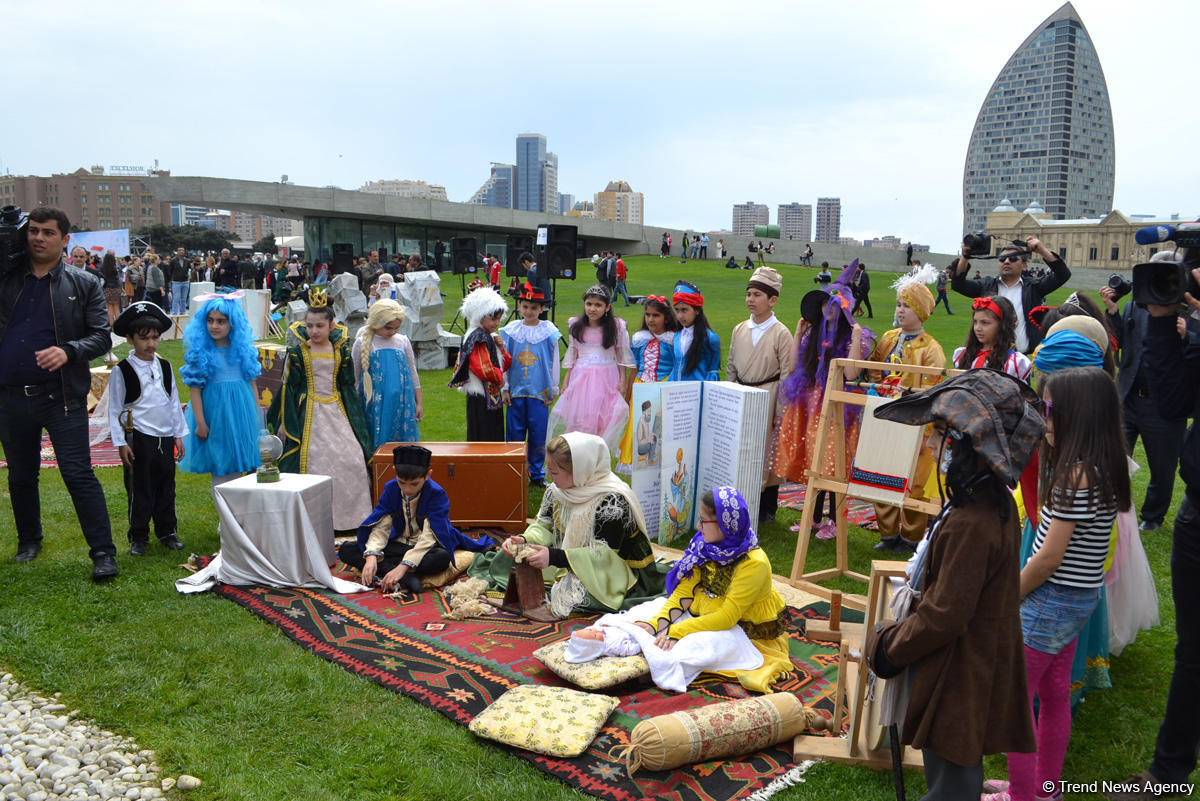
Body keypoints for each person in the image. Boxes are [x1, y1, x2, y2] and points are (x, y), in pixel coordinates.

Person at [865, 369, 1042, 801]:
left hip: (960, 669)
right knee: (950, 770)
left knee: (953, 782)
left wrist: (890, 647)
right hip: (967, 660)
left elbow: (945, 614)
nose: (928, 444)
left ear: (967, 446)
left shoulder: (973, 522)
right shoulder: (981, 498)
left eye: (939, 435)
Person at [992, 367, 1131, 801]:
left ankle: (1021, 795)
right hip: (1078, 601)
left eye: (1047, 409)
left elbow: (1049, 558)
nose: (1042, 418)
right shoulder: (1100, 466)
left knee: (1017, 701)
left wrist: (1006, 596)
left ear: (1078, 415)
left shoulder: (1076, 476)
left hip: (1050, 602)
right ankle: (1042, 788)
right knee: (1053, 696)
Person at [1105, 269, 1200, 800]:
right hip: (1198, 515)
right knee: (1191, 654)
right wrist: (1165, 324)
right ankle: (1167, 775)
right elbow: (1175, 402)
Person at [0, 207, 119, 580]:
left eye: (48, 232)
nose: (39, 238)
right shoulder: (6, 279)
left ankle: (103, 553)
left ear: (64, 240)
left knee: (78, 473)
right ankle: (28, 541)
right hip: (10, 395)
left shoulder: (83, 284)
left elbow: (102, 336)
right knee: (20, 475)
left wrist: (68, 350)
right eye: (33, 231)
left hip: (62, 395)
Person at [467, 432, 667, 617]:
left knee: (576, 597)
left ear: (579, 472)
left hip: (612, 568)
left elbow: (603, 555)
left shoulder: (612, 501)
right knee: (508, 559)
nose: (548, 476)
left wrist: (554, 557)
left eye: (554, 472)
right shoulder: (558, 491)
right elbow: (545, 526)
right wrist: (525, 540)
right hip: (571, 556)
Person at [776, 262, 872, 539]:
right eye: (824, 305)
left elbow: (852, 371)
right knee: (813, 460)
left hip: (836, 407)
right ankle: (814, 518)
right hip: (811, 403)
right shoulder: (813, 334)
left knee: (832, 462)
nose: (827, 310)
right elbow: (794, 366)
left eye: (834, 305)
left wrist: (855, 337)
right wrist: (798, 334)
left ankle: (833, 520)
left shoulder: (857, 338)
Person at [856, 266, 945, 551]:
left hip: (915, 421)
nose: (901, 310)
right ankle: (887, 532)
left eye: (907, 305)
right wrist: (879, 385)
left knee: (915, 480)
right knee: (882, 471)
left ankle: (911, 535)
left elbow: (933, 386)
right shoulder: (888, 337)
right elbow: (874, 369)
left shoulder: (931, 348)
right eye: (898, 304)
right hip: (884, 415)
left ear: (921, 310)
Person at [268, 303, 373, 533]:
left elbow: (346, 386)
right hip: (308, 414)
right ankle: (313, 522)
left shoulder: (341, 352)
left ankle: (350, 518)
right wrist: (285, 422)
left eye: (319, 326)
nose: (314, 331)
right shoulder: (297, 354)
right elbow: (290, 388)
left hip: (337, 411)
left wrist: (357, 418)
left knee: (352, 457)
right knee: (315, 460)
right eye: (309, 326)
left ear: (331, 326)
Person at [340, 445, 494, 597]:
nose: (407, 489)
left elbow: (428, 538)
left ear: (428, 475)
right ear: (394, 472)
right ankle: (408, 577)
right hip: (398, 544)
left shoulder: (436, 494)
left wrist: (403, 566)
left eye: (414, 484)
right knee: (347, 550)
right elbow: (381, 527)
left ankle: (396, 570)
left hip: (426, 548)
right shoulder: (391, 489)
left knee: (442, 558)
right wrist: (372, 556)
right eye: (402, 482)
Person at [1102, 273, 1186, 533]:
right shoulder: (1134, 306)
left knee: (1162, 465)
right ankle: (1109, 508)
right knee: (1113, 455)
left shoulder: (1185, 310)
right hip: (1127, 397)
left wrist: (1187, 336)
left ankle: (1152, 516)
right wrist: (1113, 312)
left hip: (1164, 404)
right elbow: (1119, 342)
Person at [107, 302, 188, 556]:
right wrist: (121, 443)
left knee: (166, 486)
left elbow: (173, 401)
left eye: (155, 338)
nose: (150, 344)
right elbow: (115, 409)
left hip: (164, 436)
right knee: (139, 488)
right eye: (144, 338)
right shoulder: (122, 370)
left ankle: (167, 531)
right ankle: (138, 536)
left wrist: (178, 434)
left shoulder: (164, 367)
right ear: (130, 339)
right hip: (139, 436)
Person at [726, 267, 793, 522]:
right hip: (742, 392)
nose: (750, 299)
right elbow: (731, 364)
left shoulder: (780, 333)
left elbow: (787, 374)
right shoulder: (739, 329)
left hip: (769, 394)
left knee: (766, 450)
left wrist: (780, 411)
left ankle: (767, 506)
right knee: (741, 447)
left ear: (772, 300)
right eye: (748, 294)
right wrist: (729, 392)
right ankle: (739, 498)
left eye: (757, 295)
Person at [178, 292, 262, 492]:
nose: (214, 326)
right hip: (216, 417)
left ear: (232, 323)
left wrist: (256, 417)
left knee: (244, 468)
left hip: (241, 415)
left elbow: (252, 385)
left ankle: (238, 518)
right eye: (210, 320)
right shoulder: (201, 354)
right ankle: (226, 521)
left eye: (221, 321)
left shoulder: (243, 351)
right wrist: (200, 423)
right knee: (222, 468)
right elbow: (195, 391)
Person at [546, 284, 633, 452]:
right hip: (582, 378)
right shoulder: (576, 326)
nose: (592, 309)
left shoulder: (617, 327)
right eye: (589, 304)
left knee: (604, 417)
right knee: (582, 418)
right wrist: (566, 380)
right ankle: (578, 455)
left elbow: (621, 356)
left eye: (598, 305)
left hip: (607, 377)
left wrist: (622, 380)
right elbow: (573, 354)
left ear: (607, 307)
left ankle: (597, 455)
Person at [951, 237, 1071, 354]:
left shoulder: (1034, 287)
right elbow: (958, 285)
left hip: (1021, 359)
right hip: (990, 356)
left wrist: (1042, 250)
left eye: (1013, 258)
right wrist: (965, 257)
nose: (1007, 261)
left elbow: (1063, 275)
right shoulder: (986, 286)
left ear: (1024, 265)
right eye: (1002, 259)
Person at [501, 282, 560, 488]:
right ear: (519, 306)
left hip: (539, 391)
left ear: (542, 309)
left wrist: (553, 388)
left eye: (534, 308)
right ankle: (514, 470)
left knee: (538, 434)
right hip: (516, 390)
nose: (529, 311)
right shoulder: (510, 331)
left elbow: (554, 361)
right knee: (515, 433)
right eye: (525, 306)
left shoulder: (549, 331)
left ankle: (536, 473)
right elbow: (504, 361)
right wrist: (505, 387)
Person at [616, 295, 679, 472]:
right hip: (640, 386)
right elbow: (634, 369)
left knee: (657, 430)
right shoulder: (640, 340)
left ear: (666, 317)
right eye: (648, 315)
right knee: (639, 428)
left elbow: (677, 367)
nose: (651, 319)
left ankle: (657, 467)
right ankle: (639, 470)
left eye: (656, 315)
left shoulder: (673, 341)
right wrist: (627, 398)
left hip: (662, 386)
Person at [352, 299, 421, 450]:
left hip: (403, 402)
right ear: (376, 323)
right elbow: (356, 379)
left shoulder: (402, 341)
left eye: (397, 328)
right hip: (375, 404)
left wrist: (419, 402)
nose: (393, 332)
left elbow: (412, 372)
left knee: (403, 442)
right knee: (378, 439)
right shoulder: (362, 343)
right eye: (388, 328)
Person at [448, 285, 511, 441]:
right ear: (479, 315)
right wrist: (499, 379)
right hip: (481, 395)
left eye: (498, 318)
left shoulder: (487, 335)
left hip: (489, 394)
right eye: (493, 318)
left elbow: (505, 363)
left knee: (491, 433)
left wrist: (501, 348)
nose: (496, 323)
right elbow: (483, 367)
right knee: (484, 434)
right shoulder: (478, 337)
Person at [953, 296, 1031, 380]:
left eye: (985, 323)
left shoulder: (1014, 363)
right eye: (975, 322)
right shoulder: (963, 355)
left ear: (1002, 326)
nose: (977, 328)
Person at [669, 281, 720, 381]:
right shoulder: (677, 336)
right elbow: (675, 368)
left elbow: (712, 374)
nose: (679, 316)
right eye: (677, 310)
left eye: (684, 310)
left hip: (698, 393)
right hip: (677, 393)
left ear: (697, 310)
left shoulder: (710, 338)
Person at [99, 252, 122, 323]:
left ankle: (111, 323)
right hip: (115, 289)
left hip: (106, 289)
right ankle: (119, 323)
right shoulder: (115, 268)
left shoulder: (102, 268)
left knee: (109, 307)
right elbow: (118, 279)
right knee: (116, 307)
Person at [168, 248, 190, 315]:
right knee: (176, 298)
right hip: (176, 282)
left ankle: (182, 312)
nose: (181, 251)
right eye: (180, 250)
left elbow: (189, 269)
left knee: (184, 298)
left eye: (183, 250)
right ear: (177, 252)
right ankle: (174, 313)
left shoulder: (187, 260)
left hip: (185, 282)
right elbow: (170, 271)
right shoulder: (173, 260)